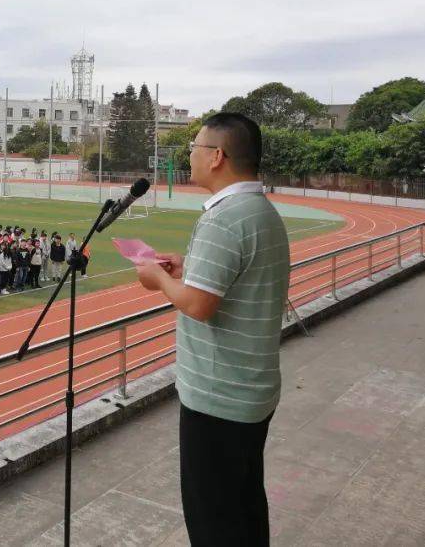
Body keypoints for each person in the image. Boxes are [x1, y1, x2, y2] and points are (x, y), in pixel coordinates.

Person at [133, 113, 289, 547]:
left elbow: (199, 305)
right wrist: (188, 268)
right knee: (243, 508)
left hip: (219, 397)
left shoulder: (224, 218)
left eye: (195, 149)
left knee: (213, 521)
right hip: (250, 389)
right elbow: (234, 278)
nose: (190, 157)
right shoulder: (259, 209)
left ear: (217, 156)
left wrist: (159, 279)